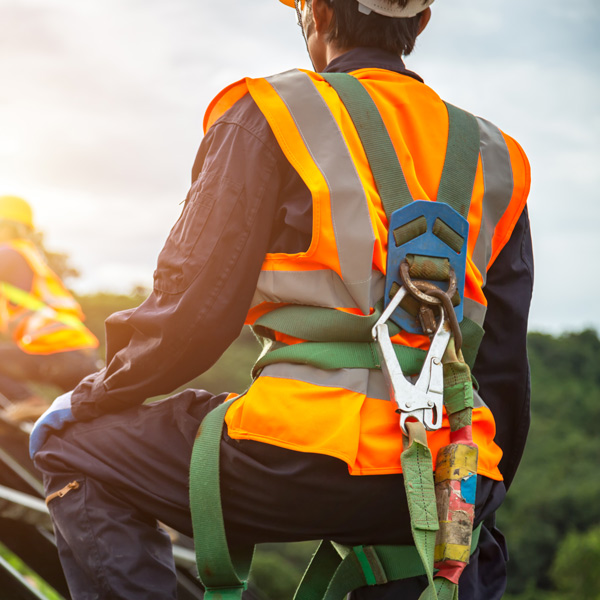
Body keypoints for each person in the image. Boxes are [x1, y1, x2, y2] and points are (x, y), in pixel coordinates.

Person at [30, 0, 533, 598]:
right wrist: (476, 492)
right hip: (448, 471)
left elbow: (193, 314)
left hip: (297, 455)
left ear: (317, 13)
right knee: (461, 546)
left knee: (68, 444)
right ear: (420, 23)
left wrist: (97, 395)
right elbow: (501, 369)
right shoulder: (497, 157)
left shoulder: (272, 114)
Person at [0, 195, 100, 420]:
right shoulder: (28, 257)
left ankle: (27, 402)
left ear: (4, 225)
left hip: (57, 352)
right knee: (88, 422)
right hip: (79, 354)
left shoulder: (8, 254)